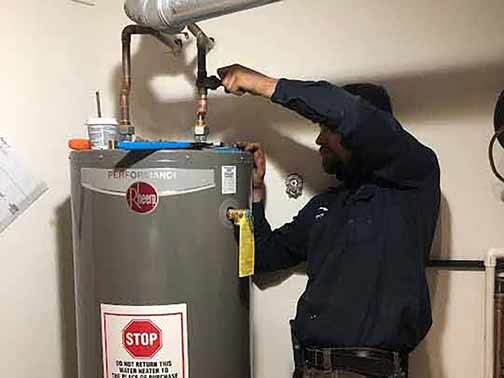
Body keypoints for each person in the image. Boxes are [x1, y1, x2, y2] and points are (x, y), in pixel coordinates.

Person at [217, 64, 440, 378]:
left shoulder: (412, 185)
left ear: (361, 138)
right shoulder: (326, 206)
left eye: (327, 127)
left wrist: (262, 84)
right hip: (308, 369)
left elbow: (356, 117)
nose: (319, 139)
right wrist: (255, 192)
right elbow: (260, 259)